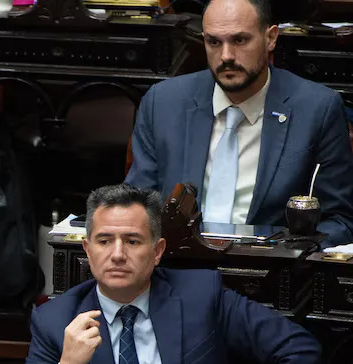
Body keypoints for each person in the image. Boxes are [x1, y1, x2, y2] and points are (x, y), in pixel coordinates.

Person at [15, 183, 321, 364]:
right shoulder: (55, 320)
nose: (117, 254)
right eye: (105, 241)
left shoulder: (202, 297)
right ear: (87, 249)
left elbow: (298, 348)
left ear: (157, 251)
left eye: (132, 241)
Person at [124, 0, 353, 246]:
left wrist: (289, 253)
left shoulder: (317, 109)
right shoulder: (163, 103)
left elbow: (340, 220)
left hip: (271, 263)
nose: (226, 56)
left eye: (240, 40)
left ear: (271, 38)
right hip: (177, 262)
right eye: (214, 42)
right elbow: (136, 209)